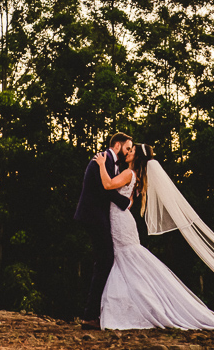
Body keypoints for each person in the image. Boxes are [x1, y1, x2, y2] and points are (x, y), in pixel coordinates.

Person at [93, 143, 214, 332]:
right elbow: (129, 202)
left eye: (132, 151)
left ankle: (130, 310)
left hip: (121, 222)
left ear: (138, 157)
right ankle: (134, 307)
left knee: (126, 258)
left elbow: (108, 185)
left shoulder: (129, 173)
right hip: (121, 219)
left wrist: (102, 164)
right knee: (126, 260)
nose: (128, 153)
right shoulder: (135, 176)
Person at [74, 132, 133, 330]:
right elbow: (103, 189)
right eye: (127, 147)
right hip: (93, 215)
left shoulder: (112, 162)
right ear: (117, 145)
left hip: (98, 216)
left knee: (104, 259)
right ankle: (90, 315)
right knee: (106, 259)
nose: (128, 152)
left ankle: (94, 313)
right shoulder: (103, 159)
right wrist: (124, 202)